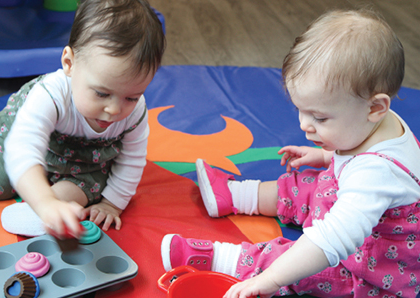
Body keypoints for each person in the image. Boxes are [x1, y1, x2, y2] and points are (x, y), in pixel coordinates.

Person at [161, 9, 420, 298]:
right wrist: (326, 157)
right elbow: (361, 161)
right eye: (300, 110)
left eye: (319, 118)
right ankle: (236, 195)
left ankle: (228, 261)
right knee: (305, 183)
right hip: (355, 212)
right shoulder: (376, 121)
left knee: (304, 263)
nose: (303, 124)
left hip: (366, 268)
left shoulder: (377, 175)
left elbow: (330, 242)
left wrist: (271, 279)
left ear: (374, 108)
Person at [0, 0, 165, 238]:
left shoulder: (135, 112)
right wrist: (45, 200)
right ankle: (40, 202)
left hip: (85, 158)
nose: (113, 109)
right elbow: (22, 149)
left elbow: (132, 160)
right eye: (101, 93)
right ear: (69, 63)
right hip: (32, 136)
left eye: (131, 97)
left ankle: (42, 210)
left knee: (91, 189)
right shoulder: (49, 96)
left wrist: (112, 204)